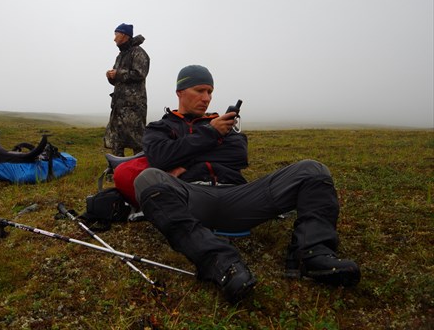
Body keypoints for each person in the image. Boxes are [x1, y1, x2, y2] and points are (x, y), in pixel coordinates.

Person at [134, 65, 360, 303]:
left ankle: (313, 254)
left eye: (210, 92)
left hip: (238, 197)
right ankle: (220, 263)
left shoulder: (224, 124)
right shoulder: (160, 127)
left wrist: (182, 158)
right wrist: (211, 135)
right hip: (193, 199)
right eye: (200, 90)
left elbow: (237, 155)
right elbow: (159, 158)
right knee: (147, 179)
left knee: (313, 170)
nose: (207, 98)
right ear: (180, 92)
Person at [105, 23, 150, 157]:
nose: (114, 39)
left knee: (137, 140)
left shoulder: (138, 53)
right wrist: (111, 77)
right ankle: (116, 167)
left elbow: (140, 73)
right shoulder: (120, 56)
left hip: (133, 106)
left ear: (124, 35)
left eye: (116, 35)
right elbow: (118, 80)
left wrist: (118, 73)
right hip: (118, 105)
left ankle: (140, 167)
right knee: (116, 140)